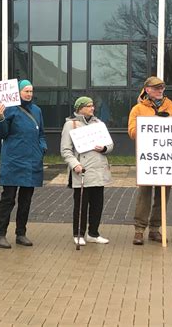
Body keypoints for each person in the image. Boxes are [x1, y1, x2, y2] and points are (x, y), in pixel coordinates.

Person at [0, 79, 47, 249]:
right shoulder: (9, 109)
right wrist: (0, 118)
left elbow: (42, 134)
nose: (29, 94)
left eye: (31, 91)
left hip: (31, 162)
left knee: (26, 200)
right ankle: (0, 234)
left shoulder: (37, 111)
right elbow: (1, 135)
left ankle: (21, 233)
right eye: (26, 91)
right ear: (18, 92)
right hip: (13, 161)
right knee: (8, 199)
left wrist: (42, 148)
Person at [127, 76, 172, 245]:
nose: (160, 90)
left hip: (167, 159)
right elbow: (132, 132)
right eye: (156, 88)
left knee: (163, 195)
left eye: (162, 88)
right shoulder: (137, 109)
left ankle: (155, 229)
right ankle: (139, 230)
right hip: (149, 159)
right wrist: (152, 125)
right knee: (144, 194)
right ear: (147, 90)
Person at [60, 96, 113, 246]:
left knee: (98, 204)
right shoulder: (71, 125)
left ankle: (93, 233)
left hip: (98, 169)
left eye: (92, 105)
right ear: (80, 108)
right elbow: (65, 150)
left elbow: (110, 144)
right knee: (81, 204)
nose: (92, 108)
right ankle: (78, 234)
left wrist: (104, 148)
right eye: (89, 106)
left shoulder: (99, 123)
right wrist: (75, 164)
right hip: (81, 170)